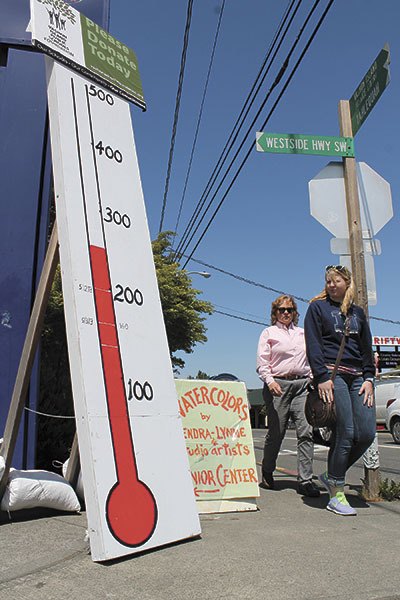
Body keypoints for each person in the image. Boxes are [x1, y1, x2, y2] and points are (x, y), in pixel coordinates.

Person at [304, 265, 375, 516]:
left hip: (358, 378)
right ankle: (336, 494)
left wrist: (369, 378)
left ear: (347, 283)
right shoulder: (317, 308)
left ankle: (332, 474)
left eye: (336, 280)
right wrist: (321, 377)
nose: (331, 284)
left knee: (366, 434)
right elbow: (313, 345)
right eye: (328, 281)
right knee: (345, 432)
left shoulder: (358, 313)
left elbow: (367, 347)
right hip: (333, 376)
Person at [256, 295, 320, 498]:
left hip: (302, 386)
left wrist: (311, 378)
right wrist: (270, 381)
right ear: (275, 312)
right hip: (278, 385)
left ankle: (306, 480)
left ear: (295, 313)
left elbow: (313, 357)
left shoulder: (303, 333)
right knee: (277, 432)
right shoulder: (268, 333)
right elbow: (262, 362)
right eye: (282, 309)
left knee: (306, 432)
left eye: (290, 310)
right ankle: (267, 471)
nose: (286, 313)